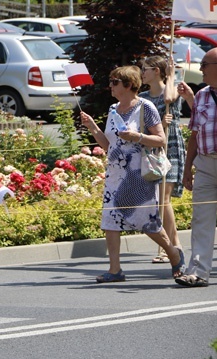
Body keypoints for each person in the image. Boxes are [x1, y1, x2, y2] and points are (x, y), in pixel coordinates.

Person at [80, 65, 185, 283]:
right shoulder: (112, 109)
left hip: (139, 174)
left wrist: (136, 137)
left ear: (128, 85)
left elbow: (161, 139)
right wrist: (92, 127)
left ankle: (173, 253)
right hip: (115, 175)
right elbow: (109, 145)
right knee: (110, 220)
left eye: (114, 82)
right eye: (110, 81)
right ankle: (115, 269)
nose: (110, 85)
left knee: (147, 222)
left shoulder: (145, 107)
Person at [139, 56, 186, 264]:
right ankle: (171, 245)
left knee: (163, 198)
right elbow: (141, 125)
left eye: (146, 69)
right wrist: (160, 126)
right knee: (158, 200)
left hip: (172, 147)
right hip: (153, 150)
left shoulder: (173, 88)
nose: (142, 73)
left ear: (157, 71)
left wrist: (171, 73)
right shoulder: (142, 97)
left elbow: (169, 99)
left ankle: (174, 246)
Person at [176, 48, 217, 288]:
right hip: (206, 164)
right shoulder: (201, 95)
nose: (200, 68)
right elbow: (194, 133)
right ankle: (198, 272)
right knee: (201, 219)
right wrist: (187, 168)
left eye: (204, 64)